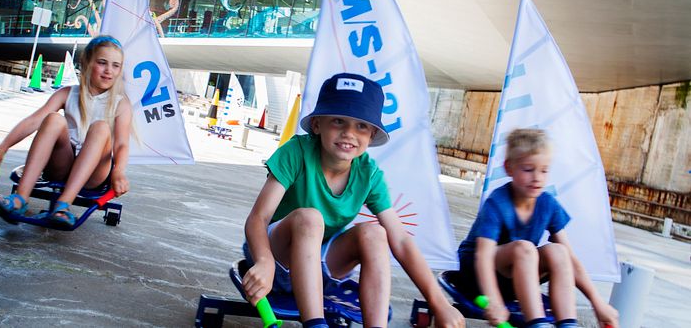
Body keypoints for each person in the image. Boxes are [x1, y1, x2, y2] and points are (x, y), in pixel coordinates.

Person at [242, 72, 465, 328]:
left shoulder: (368, 173)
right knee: (310, 218)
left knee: (376, 233)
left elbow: (401, 241)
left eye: (361, 126)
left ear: (371, 135)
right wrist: (264, 260)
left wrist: (439, 302)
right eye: (338, 121)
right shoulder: (296, 152)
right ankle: (315, 324)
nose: (349, 133)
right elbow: (258, 218)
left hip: (324, 268)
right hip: (275, 261)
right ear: (317, 125)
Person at [456, 129, 619, 328]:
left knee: (559, 251)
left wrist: (597, 302)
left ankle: (568, 323)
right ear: (509, 168)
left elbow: (571, 260)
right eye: (528, 169)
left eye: (544, 170)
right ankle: (536, 324)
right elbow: (483, 257)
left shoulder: (548, 204)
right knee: (524, 248)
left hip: (516, 277)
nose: (537, 178)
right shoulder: (497, 202)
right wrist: (494, 301)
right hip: (477, 275)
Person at [0, 35, 132, 229]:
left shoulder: (121, 103)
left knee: (101, 127)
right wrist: (1, 149)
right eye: (102, 63)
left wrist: (119, 171)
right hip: (62, 164)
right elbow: (34, 121)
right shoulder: (67, 93)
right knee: (52, 119)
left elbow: (121, 144)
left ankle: (63, 206)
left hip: (94, 174)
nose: (108, 71)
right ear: (87, 62)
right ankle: (20, 198)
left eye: (115, 66)